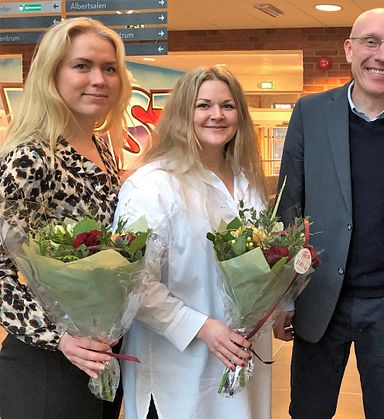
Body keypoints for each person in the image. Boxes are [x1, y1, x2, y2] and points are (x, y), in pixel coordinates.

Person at [273, 8, 384, 419]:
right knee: (308, 411)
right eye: (371, 42)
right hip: (319, 299)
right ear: (349, 49)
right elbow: (289, 207)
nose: (382, 54)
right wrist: (282, 297)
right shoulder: (309, 113)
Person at [113, 66, 271, 419]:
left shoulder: (249, 184)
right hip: (176, 371)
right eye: (204, 105)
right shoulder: (152, 185)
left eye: (228, 106)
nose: (217, 115)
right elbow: (132, 282)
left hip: (241, 358)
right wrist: (203, 327)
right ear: (183, 113)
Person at [0, 17, 132, 419]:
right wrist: (57, 337)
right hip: (48, 363)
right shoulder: (32, 156)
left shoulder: (102, 148)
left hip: (101, 353)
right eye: (82, 66)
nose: (99, 79)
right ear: (51, 74)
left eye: (110, 68)